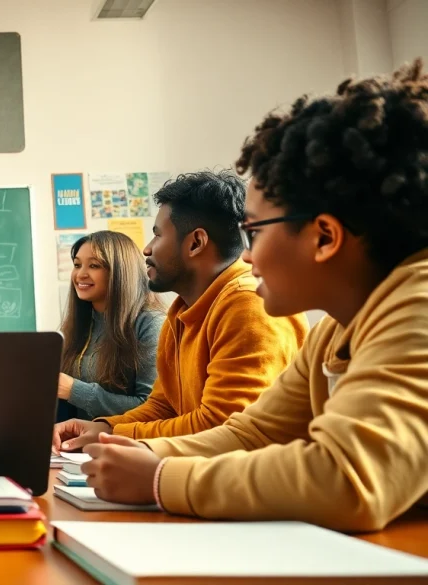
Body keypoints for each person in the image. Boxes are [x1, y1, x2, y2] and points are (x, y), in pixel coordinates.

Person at [74, 61, 428, 532]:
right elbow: (253, 431)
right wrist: (140, 450)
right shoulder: (335, 332)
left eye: (255, 232)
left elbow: (350, 480)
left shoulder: (418, 303)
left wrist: (162, 478)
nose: (247, 256)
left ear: (324, 236)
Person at [54, 171, 308, 450]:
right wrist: (105, 427)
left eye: (158, 235)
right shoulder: (183, 311)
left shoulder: (247, 305)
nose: (147, 249)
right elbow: (164, 406)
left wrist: (120, 436)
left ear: (195, 243)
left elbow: (222, 428)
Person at [55, 231, 165, 422]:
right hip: (77, 445)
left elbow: (151, 408)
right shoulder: (80, 324)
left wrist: (74, 390)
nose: (81, 274)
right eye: (77, 265)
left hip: (128, 444)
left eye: (94, 265)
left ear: (121, 272)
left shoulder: (150, 324)